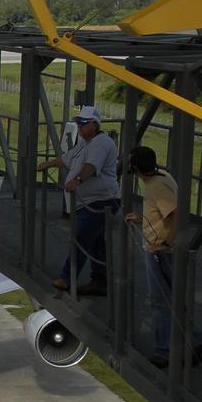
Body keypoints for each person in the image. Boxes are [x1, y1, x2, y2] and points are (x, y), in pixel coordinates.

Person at [124, 145, 202, 369]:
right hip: (162, 247)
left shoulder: (156, 186)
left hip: (160, 251)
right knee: (171, 299)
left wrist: (165, 243)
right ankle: (196, 340)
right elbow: (163, 213)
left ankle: (166, 349)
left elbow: (175, 214)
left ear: (137, 168)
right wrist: (143, 219)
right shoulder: (163, 176)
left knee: (161, 301)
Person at [37, 105, 120, 295]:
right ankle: (100, 281)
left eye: (83, 123)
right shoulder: (85, 142)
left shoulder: (101, 143)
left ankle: (67, 278)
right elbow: (67, 158)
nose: (80, 126)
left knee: (81, 239)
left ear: (94, 124)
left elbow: (91, 166)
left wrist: (77, 180)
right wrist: (48, 164)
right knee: (96, 242)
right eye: (78, 123)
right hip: (89, 202)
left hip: (101, 201)